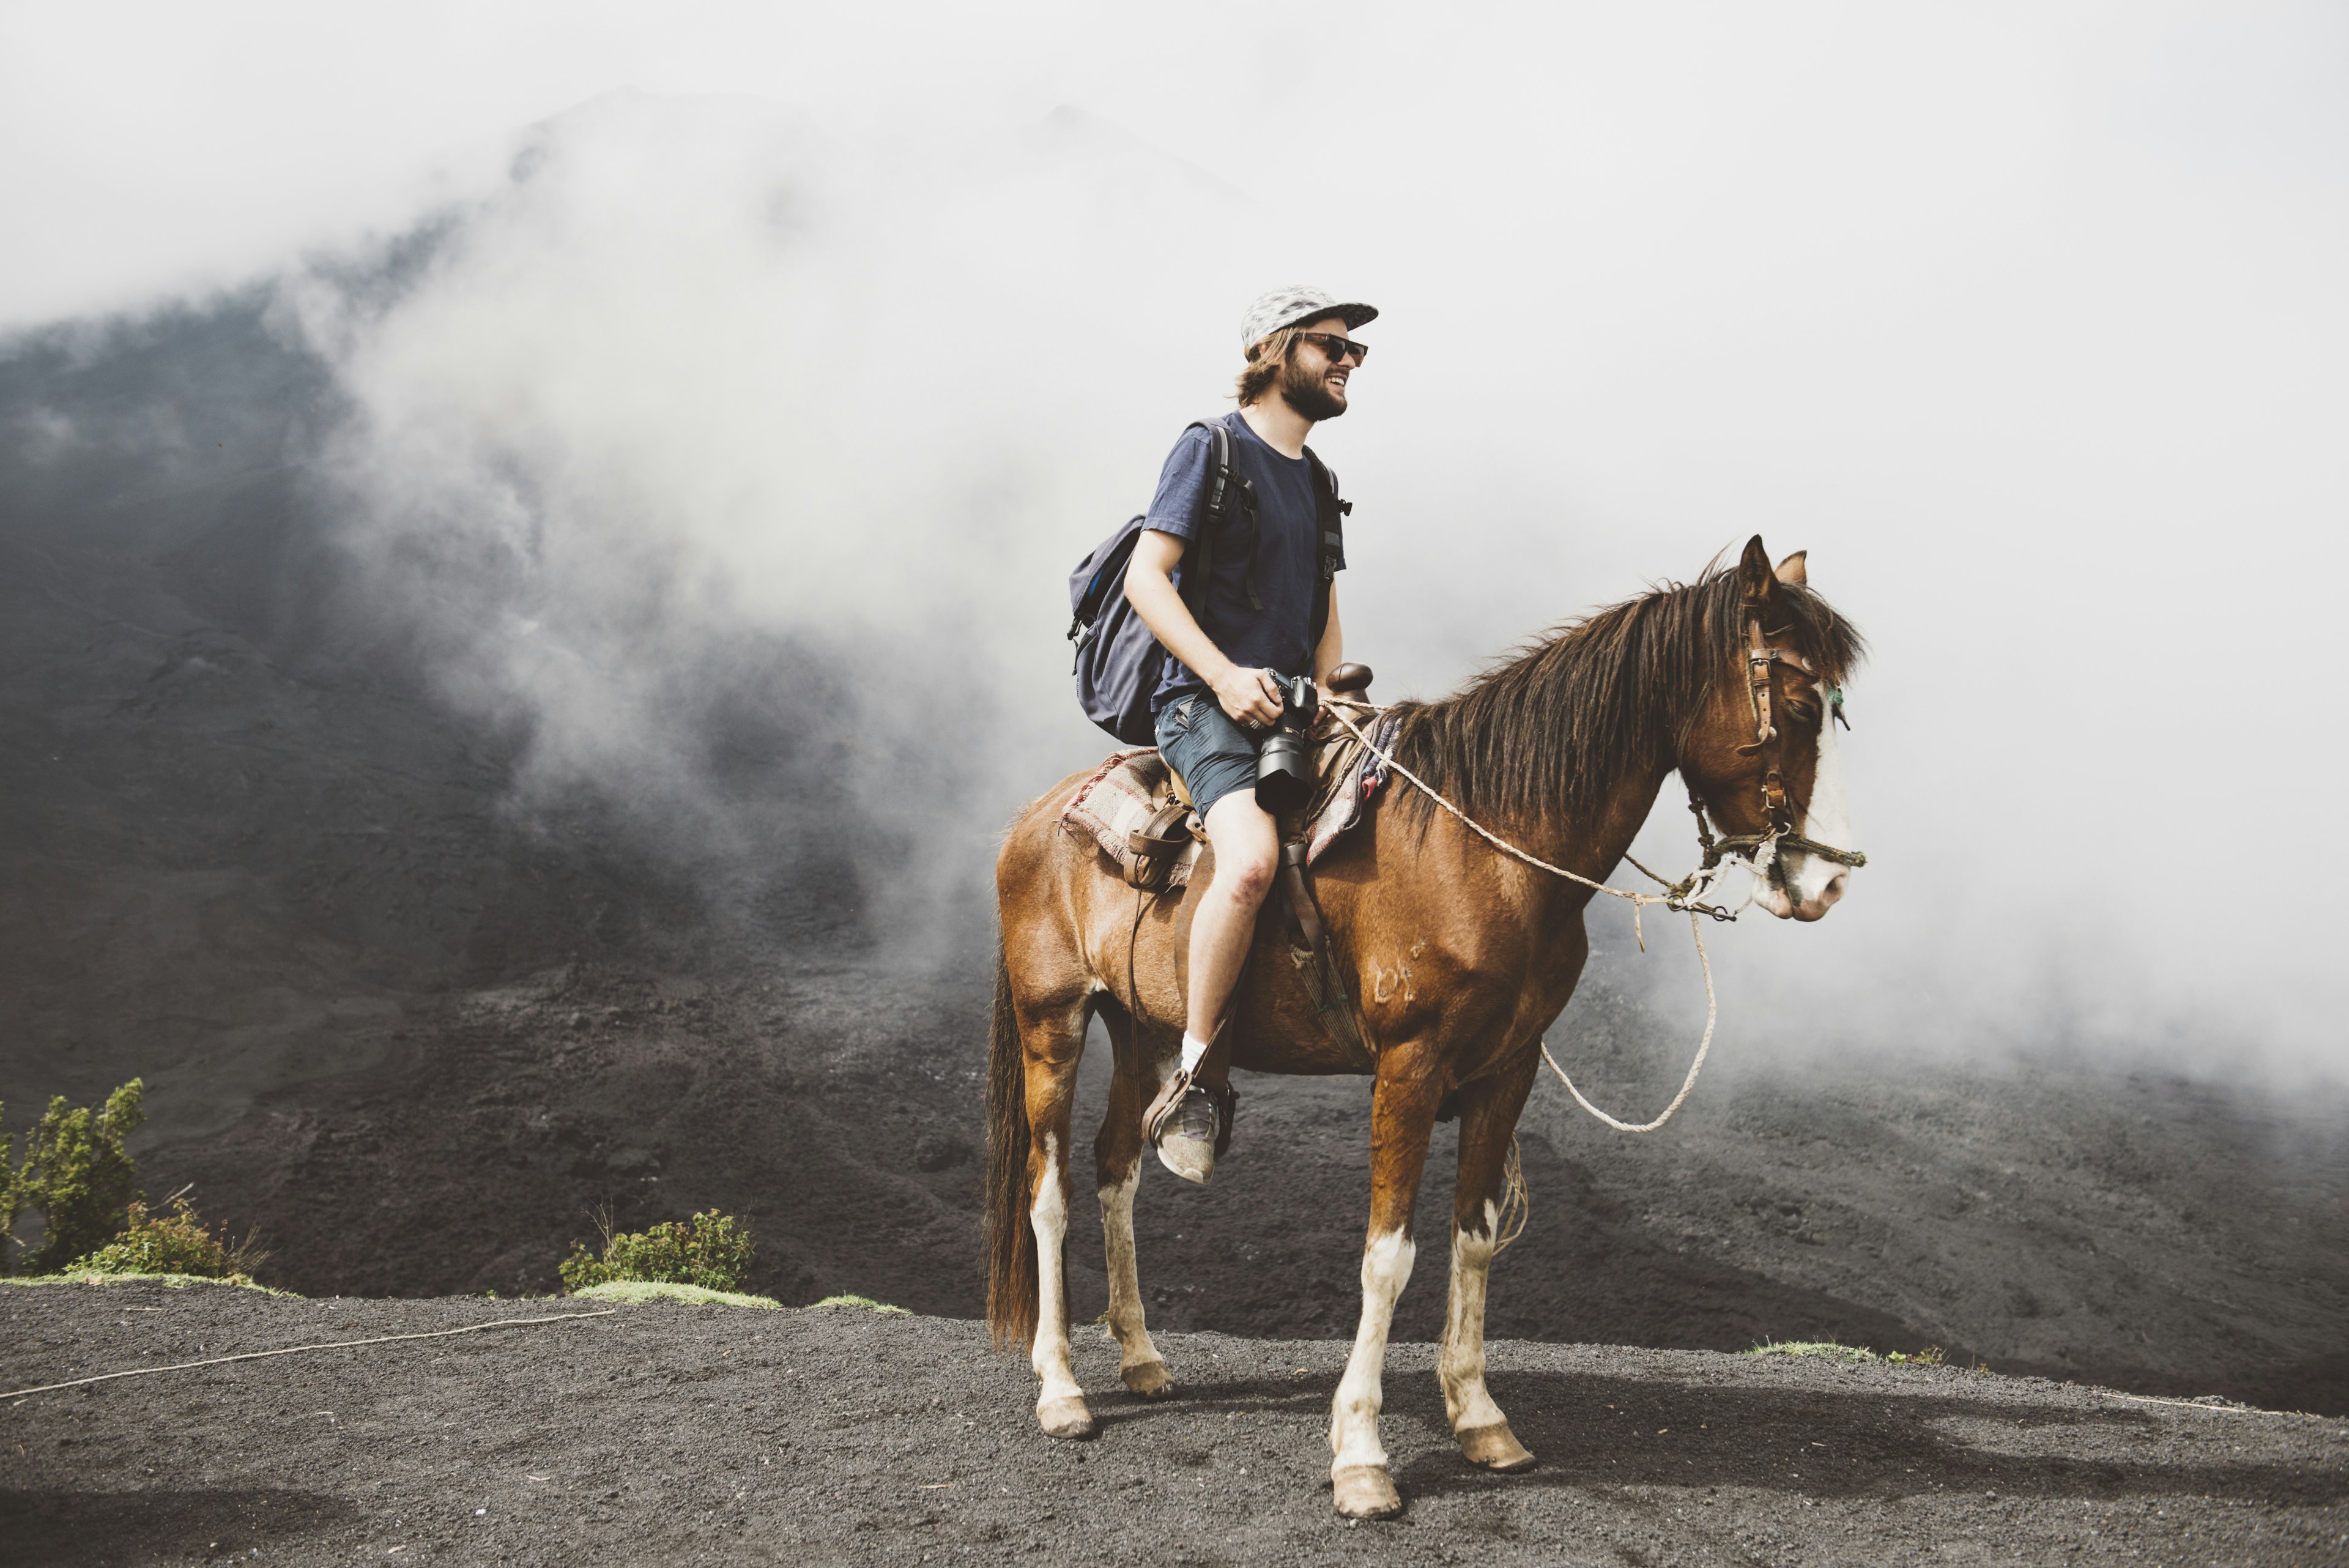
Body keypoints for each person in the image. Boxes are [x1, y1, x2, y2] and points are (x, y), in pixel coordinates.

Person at [1123, 284, 1375, 1184]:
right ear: (1276, 350)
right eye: (1331, 347)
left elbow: (1324, 612)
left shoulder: (1318, 479)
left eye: (1357, 354)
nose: (1349, 363)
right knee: (1255, 862)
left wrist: (1330, 695)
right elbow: (1148, 581)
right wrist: (1225, 677)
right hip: (1202, 704)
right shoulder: (1212, 448)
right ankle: (1192, 1079)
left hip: (1296, 713)